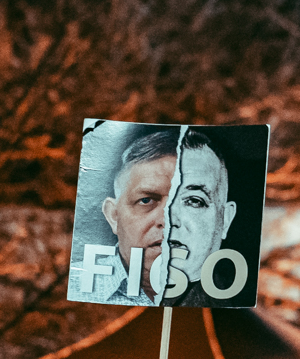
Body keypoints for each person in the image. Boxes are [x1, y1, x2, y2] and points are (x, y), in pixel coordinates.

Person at [73, 128, 240, 307]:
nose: (167, 221)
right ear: (114, 216)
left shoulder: (246, 309)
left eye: (194, 201)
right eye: (146, 200)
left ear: (225, 220)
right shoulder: (69, 291)